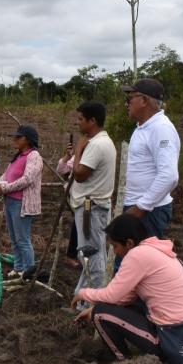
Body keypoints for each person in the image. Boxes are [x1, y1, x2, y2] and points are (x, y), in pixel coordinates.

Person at [72, 214, 183, 363]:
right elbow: (126, 297)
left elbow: (111, 295)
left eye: (115, 246)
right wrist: (93, 307)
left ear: (129, 243)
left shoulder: (137, 255)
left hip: (171, 340)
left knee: (100, 314)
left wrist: (82, 293)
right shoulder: (156, 249)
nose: (115, 252)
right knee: (124, 305)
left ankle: (122, 362)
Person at [119, 78, 180, 272]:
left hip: (148, 211)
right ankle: (124, 302)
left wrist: (140, 207)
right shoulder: (143, 127)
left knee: (139, 269)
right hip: (138, 207)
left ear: (144, 100)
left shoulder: (160, 128)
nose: (126, 103)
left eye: (130, 98)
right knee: (129, 265)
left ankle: (138, 303)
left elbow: (169, 175)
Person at [70, 102, 117, 305]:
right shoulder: (102, 142)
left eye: (81, 118)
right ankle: (82, 300)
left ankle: (92, 304)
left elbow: (79, 174)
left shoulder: (96, 144)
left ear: (92, 121)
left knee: (92, 257)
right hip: (93, 207)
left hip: (91, 208)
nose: (77, 122)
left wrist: (79, 150)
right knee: (88, 255)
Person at [0, 125, 43, 276]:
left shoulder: (34, 156)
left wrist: (5, 189)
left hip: (22, 203)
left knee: (23, 239)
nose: (15, 139)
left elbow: (27, 179)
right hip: (11, 201)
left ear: (27, 140)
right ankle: (19, 267)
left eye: (18, 137)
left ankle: (29, 271)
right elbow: (7, 175)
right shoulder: (19, 156)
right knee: (14, 239)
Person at [57, 140, 80, 269]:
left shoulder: (87, 156)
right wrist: (68, 156)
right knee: (78, 226)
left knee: (80, 226)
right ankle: (72, 256)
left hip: (84, 198)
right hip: (74, 197)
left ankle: (74, 255)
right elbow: (60, 169)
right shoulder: (77, 158)